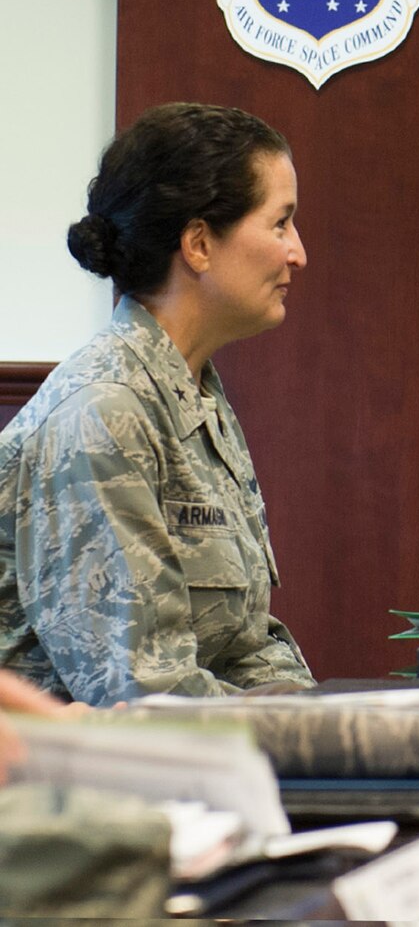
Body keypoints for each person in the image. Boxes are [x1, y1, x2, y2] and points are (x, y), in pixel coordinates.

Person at [0, 103, 315, 704]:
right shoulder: (103, 411)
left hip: (198, 769)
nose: (297, 253)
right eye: (280, 224)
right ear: (198, 243)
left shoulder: (193, 392)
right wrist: (314, 736)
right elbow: (141, 694)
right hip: (85, 787)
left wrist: (334, 720)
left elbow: (245, 644)